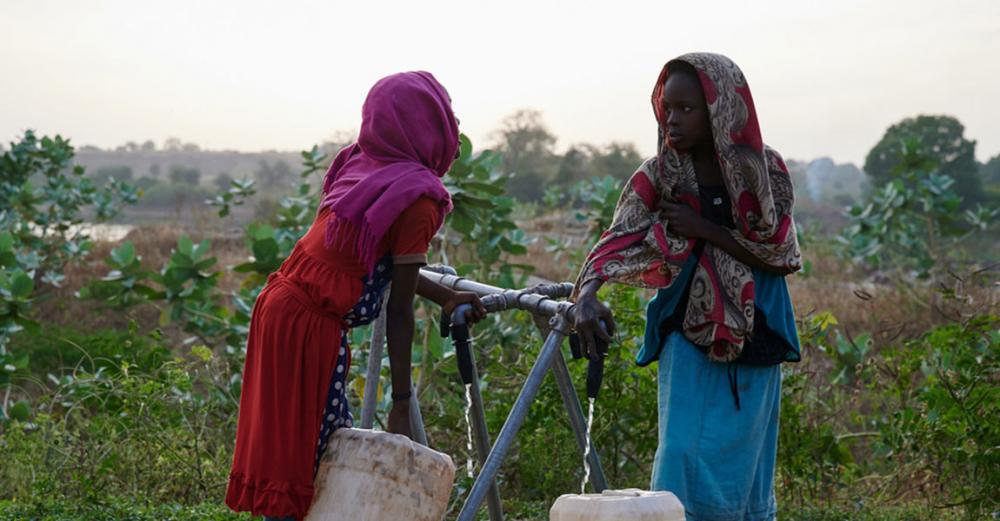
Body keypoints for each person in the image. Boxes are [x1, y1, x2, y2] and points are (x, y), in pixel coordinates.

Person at [225, 71, 486, 521]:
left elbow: (363, 264)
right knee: (306, 457)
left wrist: (441, 292)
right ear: (426, 124)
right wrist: (402, 402)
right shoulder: (418, 198)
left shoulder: (362, 164)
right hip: (307, 326)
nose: (455, 125)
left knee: (296, 449)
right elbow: (399, 309)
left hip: (281, 309)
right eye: (446, 113)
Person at [571, 53, 802, 521]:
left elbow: (781, 254)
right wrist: (586, 294)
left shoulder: (765, 171)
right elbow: (619, 237)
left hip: (760, 327)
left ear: (721, 109)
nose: (671, 119)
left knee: (745, 458)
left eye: (686, 109)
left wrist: (703, 229)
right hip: (687, 327)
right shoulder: (659, 174)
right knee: (678, 448)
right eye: (666, 107)